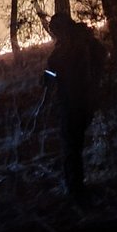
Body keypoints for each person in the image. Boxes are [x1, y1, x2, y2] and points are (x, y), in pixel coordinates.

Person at [45, 14, 107, 201]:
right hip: (82, 102)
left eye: (56, 31)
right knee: (74, 146)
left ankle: (75, 189)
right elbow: (51, 72)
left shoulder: (69, 49)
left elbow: (52, 72)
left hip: (74, 104)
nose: (56, 35)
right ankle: (76, 186)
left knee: (71, 146)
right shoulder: (85, 43)